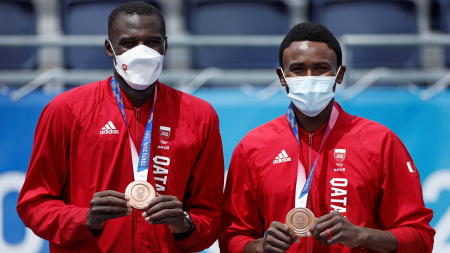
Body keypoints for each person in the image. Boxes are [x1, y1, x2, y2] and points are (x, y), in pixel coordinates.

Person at [17, 1, 224, 252]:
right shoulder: (66, 110)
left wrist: (185, 224)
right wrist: (85, 219)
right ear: (109, 48)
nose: (142, 52)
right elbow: (34, 204)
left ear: (165, 46)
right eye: (128, 43)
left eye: (152, 42)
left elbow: (211, 217)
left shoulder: (199, 116)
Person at [219, 23, 435, 253]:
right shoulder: (254, 146)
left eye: (321, 68)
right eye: (298, 69)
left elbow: (420, 238)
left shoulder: (380, 142)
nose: (309, 78)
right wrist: (261, 247)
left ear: (339, 74)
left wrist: (363, 235)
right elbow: (232, 236)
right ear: (282, 77)